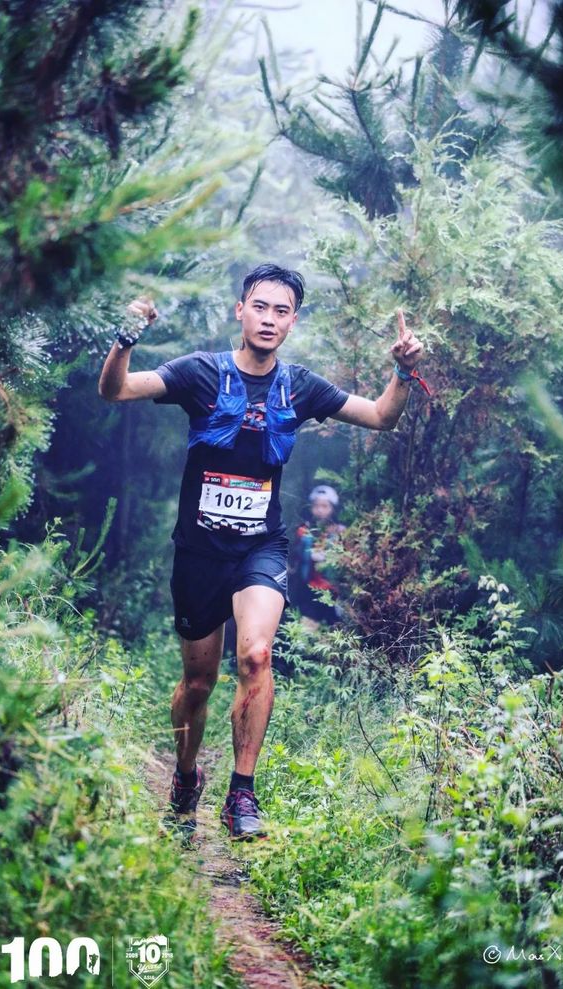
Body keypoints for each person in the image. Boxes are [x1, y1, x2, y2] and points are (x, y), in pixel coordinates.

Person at [98, 262, 426, 840]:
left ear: (292, 322)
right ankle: (184, 776)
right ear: (241, 311)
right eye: (260, 306)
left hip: (261, 547)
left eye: (281, 311)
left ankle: (241, 795)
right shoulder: (201, 374)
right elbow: (116, 389)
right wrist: (127, 336)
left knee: (254, 656)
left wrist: (403, 370)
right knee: (197, 684)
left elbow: (380, 417)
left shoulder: (300, 387)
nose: (269, 319)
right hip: (199, 551)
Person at [291, 484, 345, 629]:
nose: (320, 510)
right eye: (316, 505)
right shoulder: (303, 531)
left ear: (333, 508)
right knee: (308, 629)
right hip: (308, 589)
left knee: (334, 628)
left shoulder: (340, 532)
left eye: (325, 506)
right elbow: (297, 555)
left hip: (331, 591)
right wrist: (309, 554)